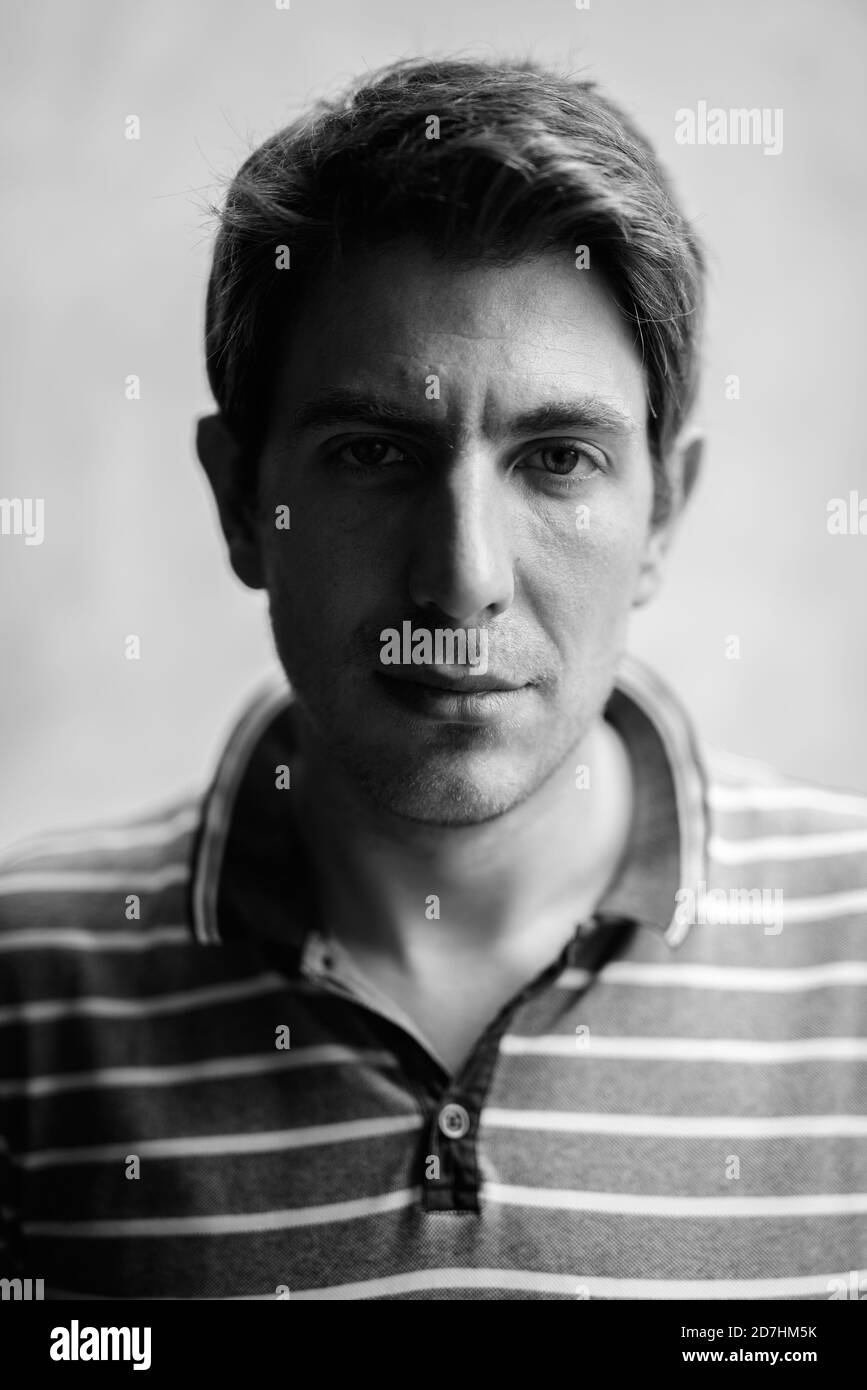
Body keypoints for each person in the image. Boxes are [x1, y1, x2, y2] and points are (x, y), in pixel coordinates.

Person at [1, 56, 865, 1303]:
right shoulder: (31, 990)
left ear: (665, 513)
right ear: (244, 502)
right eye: (373, 452)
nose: (462, 581)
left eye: (557, 458)